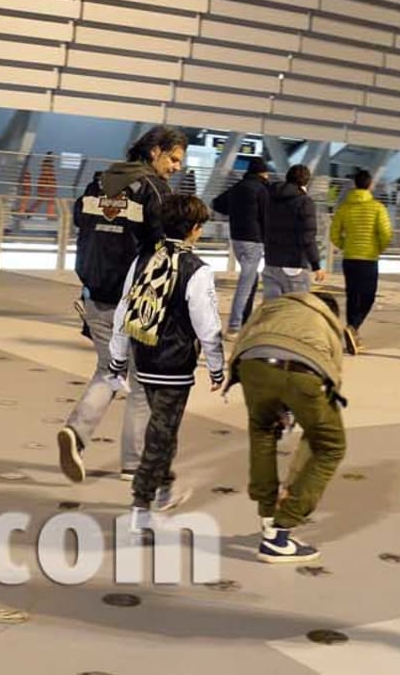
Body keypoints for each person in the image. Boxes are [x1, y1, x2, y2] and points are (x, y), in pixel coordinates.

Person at [57, 125, 187, 484]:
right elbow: (166, 248)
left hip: (95, 293)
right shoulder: (154, 190)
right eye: (173, 159)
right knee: (143, 382)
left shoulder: (99, 182)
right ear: (154, 152)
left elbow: (83, 223)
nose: (176, 167)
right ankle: (133, 464)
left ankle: (77, 431)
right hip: (134, 299)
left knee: (110, 371)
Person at [108, 194, 224, 531]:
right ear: (194, 230)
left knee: (164, 426)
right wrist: (217, 367)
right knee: (161, 431)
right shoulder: (197, 270)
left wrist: (117, 358)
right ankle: (141, 505)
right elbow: (208, 326)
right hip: (176, 363)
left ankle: (164, 487)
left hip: (144, 356)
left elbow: (123, 311)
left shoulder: (143, 259)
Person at [224, 290, 346, 562]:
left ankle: (267, 514)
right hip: (303, 372)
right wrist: (293, 483)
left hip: (253, 363)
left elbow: (244, 335)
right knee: (330, 445)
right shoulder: (328, 325)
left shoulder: (277, 305)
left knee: (262, 432)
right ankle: (280, 532)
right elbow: (332, 382)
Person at [329, 169, 392, 354]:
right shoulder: (377, 207)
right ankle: (353, 328)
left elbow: (334, 234)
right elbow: (386, 234)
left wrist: (345, 245)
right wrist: (378, 248)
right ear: (370, 185)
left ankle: (352, 334)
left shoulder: (344, 207)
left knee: (352, 296)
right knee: (368, 297)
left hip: (349, 258)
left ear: (354, 184)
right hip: (368, 259)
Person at [211, 157, 270, 338]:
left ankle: (245, 321)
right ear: (263, 173)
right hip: (254, 239)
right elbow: (267, 213)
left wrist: (237, 212)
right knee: (246, 283)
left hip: (237, 239)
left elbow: (217, 203)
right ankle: (234, 326)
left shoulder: (238, 187)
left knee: (251, 279)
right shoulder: (262, 189)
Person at [262, 164, 326, 297]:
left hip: (271, 262)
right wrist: (316, 265)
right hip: (293, 265)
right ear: (306, 181)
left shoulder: (271, 198)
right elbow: (307, 236)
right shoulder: (304, 202)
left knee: (272, 312)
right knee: (296, 312)